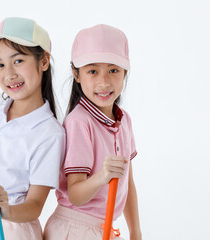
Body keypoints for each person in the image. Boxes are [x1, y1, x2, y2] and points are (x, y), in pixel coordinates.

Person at [0, 17, 65, 240]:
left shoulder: (49, 132)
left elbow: (35, 205)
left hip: (11, 229)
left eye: (18, 61)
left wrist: (5, 209)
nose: (9, 74)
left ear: (43, 61)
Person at [44, 24, 142, 240]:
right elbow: (76, 195)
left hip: (102, 229)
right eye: (92, 71)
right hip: (74, 229)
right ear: (76, 74)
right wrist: (102, 177)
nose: (104, 81)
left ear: (125, 72)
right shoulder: (79, 122)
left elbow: (128, 183)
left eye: (113, 70)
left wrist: (135, 232)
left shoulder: (124, 120)